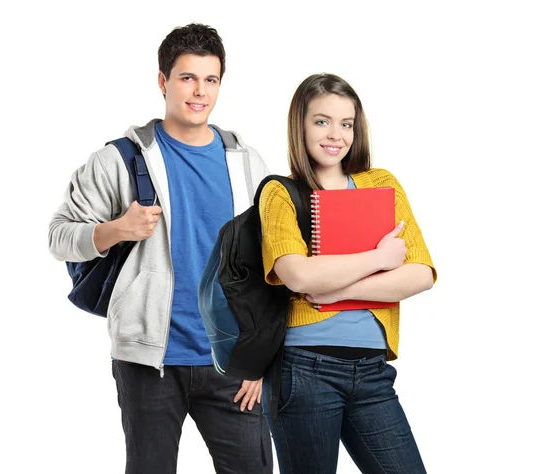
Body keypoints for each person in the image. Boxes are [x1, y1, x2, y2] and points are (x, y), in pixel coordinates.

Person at [48, 23, 273, 474]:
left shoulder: (247, 163)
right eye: (187, 77)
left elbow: (269, 268)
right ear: (163, 81)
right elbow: (58, 236)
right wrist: (115, 229)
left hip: (231, 362)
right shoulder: (120, 159)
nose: (199, 92)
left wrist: (263, 359)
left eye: (211, 80)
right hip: (150, 360)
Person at [258, 73, 437, 474]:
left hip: (372, 374)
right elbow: (298, 276)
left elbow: (421, 273)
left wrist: (339, 292)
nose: (335, 134)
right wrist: (380, 257)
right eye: (322, 121)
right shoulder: (281, 192)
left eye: (346, 123)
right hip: (304, 370)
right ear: (299, 125)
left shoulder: (382, 184)